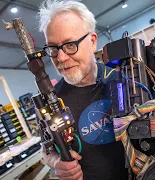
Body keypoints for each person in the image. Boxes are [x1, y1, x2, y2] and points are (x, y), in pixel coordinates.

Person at [37, 0, 128, 179]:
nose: (61, 58)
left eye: (70, 44)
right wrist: (57, 163)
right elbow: (45, 149)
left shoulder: (126, 79)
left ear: (92, 41)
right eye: (53, 48)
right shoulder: (48, 102)